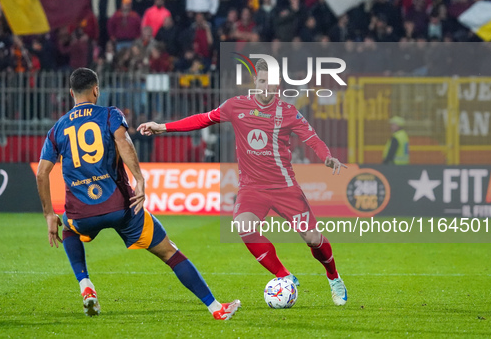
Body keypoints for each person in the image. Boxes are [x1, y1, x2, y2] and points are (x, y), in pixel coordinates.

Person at [138, 59, 349, 306]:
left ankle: (334, 277)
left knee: (313, 238)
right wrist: (163, 127)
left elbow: (312, 139)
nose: (265, 87)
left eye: (270, 83)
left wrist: (327, 158)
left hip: (285, 187)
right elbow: (202, 119)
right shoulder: (235, 106)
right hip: (252, 188)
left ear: (278, 85)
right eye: (261, 81)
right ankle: (284, 276)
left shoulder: (288, 112)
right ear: (255, 82)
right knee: (243, 226)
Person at [36, 68, 240, 319]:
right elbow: (124, 143)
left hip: (83, 213)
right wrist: (140, 180)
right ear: (96, 90)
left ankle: (85, 285)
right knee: (170, 252)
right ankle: (216, 307)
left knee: (68, 226)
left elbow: (42, 173)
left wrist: (48, 214)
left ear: (71, 93)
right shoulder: (110, 114)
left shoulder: (57, 128)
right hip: (122, 207)